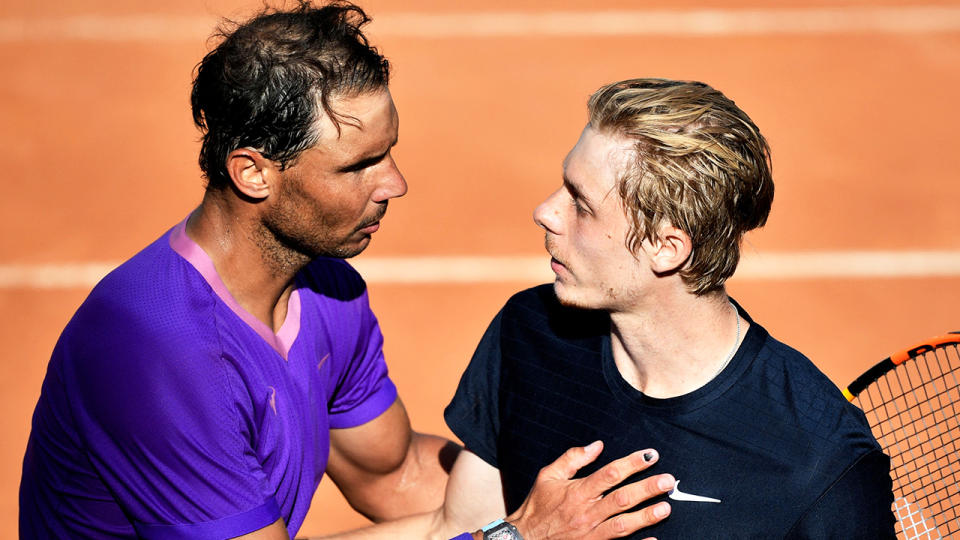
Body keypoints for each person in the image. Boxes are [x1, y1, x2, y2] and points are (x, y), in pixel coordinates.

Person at [19, 3, 674, 539]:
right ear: (253, 172)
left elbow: (390, 476)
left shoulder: (325, 289)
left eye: (388, 154)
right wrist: (520, 538)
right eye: (357, 166)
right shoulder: (159, 351)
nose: (395, 184)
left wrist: (606, 502)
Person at [443, 78, 897, 538]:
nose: (545, 211)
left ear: (666, 247)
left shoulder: (819, 463)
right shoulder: (531, 331)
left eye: (580, 204)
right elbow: (458, 526)